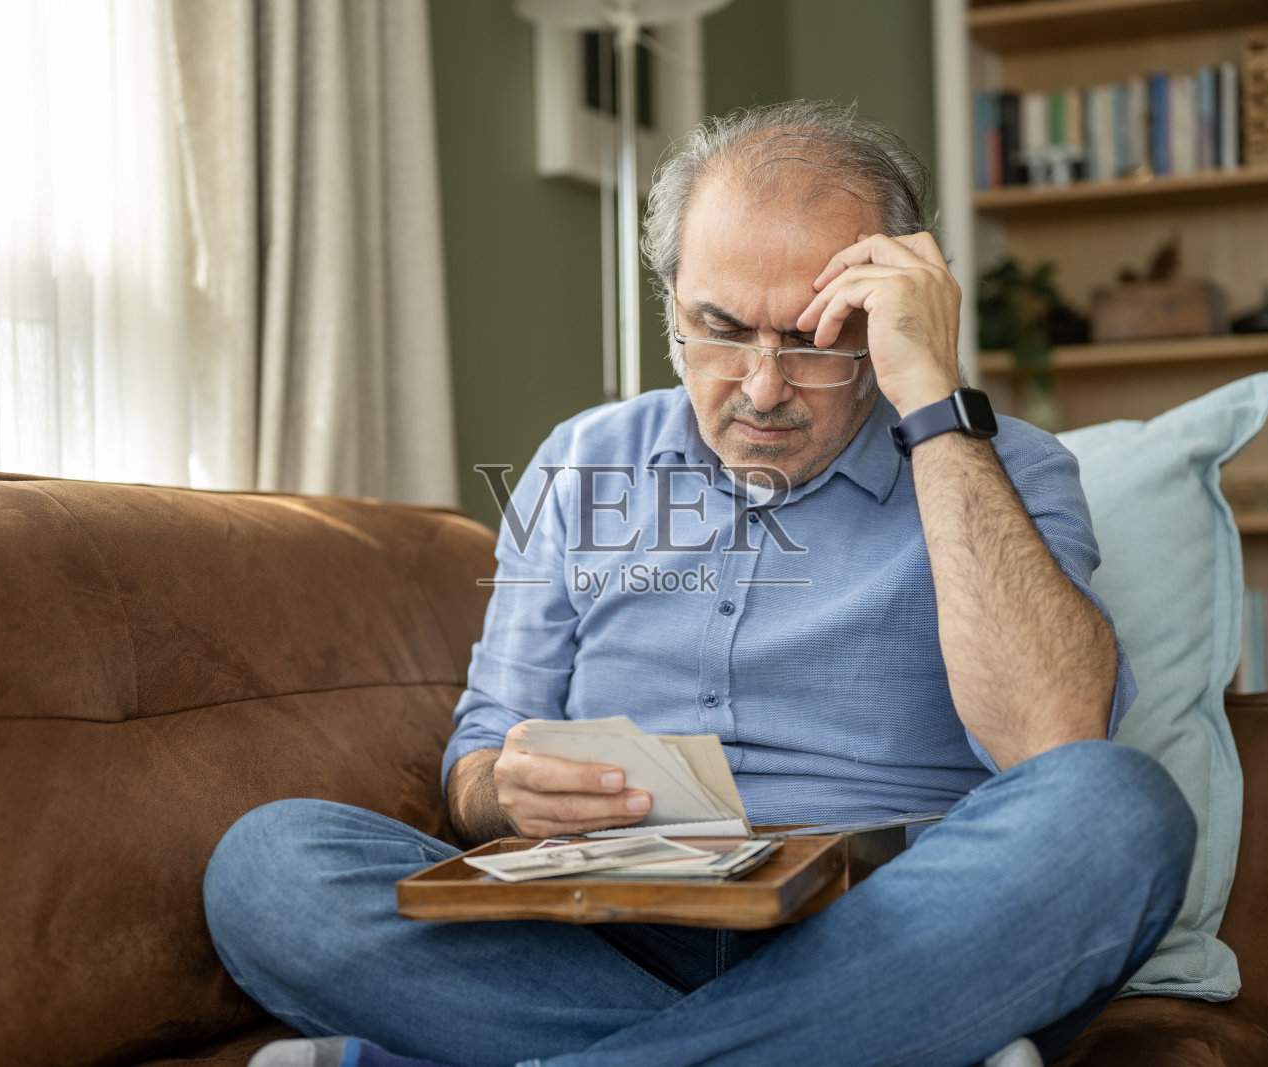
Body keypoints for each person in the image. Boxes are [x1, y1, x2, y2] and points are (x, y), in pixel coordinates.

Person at [203, 100, 1195, 1067]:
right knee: (271, 866)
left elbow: (1055, 740)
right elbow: (478, 755)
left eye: (812, 338)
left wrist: (933, 398)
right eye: (718, 329)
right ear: (670, 303)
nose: (762, 388)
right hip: (605, 936)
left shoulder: (999, 465)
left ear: (884, 314)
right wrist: (504, 792)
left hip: (889, 929)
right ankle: (843, 1047)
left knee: (1117, 808)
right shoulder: (583, 460)